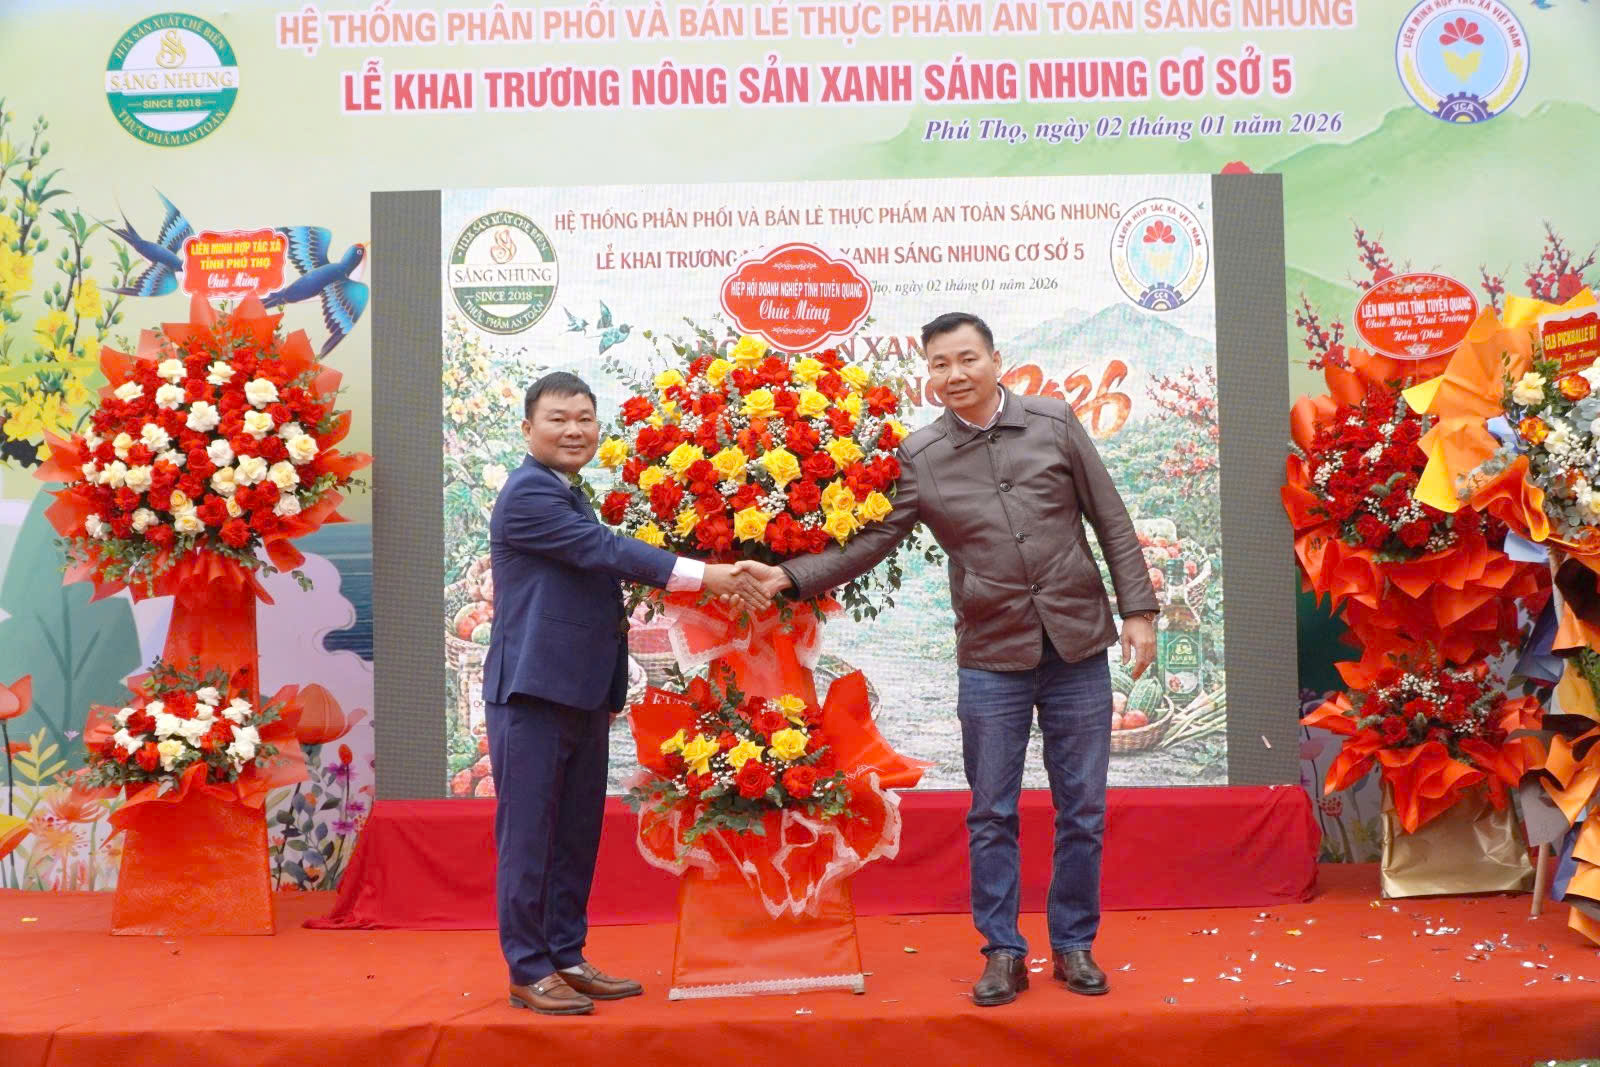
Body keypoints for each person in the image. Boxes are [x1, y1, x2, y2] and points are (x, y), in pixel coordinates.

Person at [741, 312, 1158, 1006]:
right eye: (940, 364)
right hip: (991, 652)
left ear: (996, 359)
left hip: (1078, 644)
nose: (955, 374)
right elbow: (873, 540)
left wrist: (1138, 611)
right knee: (991, 812)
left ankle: (1074, 943)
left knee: (1083, 808)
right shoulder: (922, 455)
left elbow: (1109, 518)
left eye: (967, 358)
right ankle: (1002, 951)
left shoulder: (1054, 422)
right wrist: (791, 575)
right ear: (929, 375)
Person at [483, 370, 770, 1015]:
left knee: (575, 834)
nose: (574, 430)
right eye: (558, 419)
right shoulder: (529, 493)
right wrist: (709, 576)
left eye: (584, 418)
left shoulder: (567, 491)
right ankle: (528, 968)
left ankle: (566, 954)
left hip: (580, 690)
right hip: (531, 693)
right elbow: (604, 550)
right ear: (528, 429)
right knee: (529, 837)